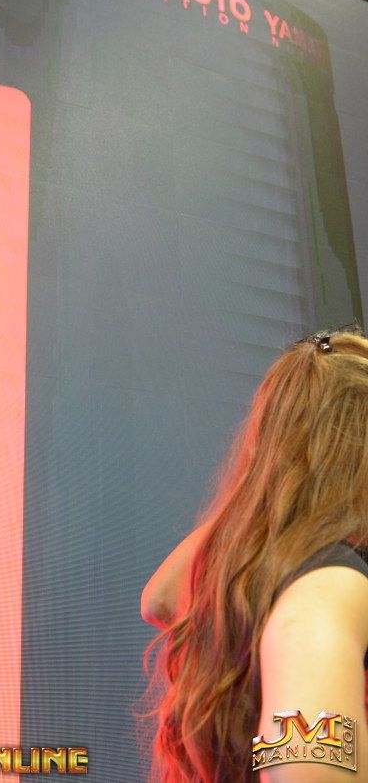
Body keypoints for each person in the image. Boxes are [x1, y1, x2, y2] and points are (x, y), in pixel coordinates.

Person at [135, 324, 368, 782]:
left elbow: (160, 598)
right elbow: (307, 770)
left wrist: (273, 476)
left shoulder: (292, 572)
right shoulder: (330, 585)